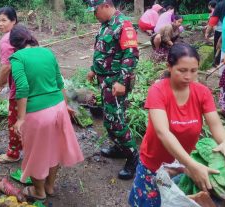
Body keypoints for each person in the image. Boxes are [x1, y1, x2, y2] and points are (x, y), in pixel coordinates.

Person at [129, 43, 225, 207]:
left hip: (182, 163)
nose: (189, 76)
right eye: (182, 70)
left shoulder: (202, 92)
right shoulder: (157, 91)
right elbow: (162, 132)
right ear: (169, 67)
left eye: (194, 71)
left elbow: (215, 124)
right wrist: (192, 165)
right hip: (154, 164)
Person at [9, 25, 84, 202]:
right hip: (58, 107)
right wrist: (65, 107)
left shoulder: (17, 57)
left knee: (35, 154)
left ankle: (39, 191)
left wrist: (20, 118)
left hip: (38, 114)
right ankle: (50, 186)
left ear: (14, 44)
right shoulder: (48, 52)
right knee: (53, 149)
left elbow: (22, 88)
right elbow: (59, 82)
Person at [86, 0, 139, 180]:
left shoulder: (123, 25)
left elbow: (131, 54)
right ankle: (119, 148)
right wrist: (94, 69)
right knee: (110, 120)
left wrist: (123, 81)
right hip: (106, 81)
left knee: (116, 122)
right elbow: (104, 51)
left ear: (106, 5)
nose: (94, 14)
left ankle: (133, 157)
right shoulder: (105, 25)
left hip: (116, 82)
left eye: (95, 10)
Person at [0, 7, 21, 163]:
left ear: (13, 20)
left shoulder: (6, 40)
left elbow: (6, 67)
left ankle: (13, 153)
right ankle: (26, 145)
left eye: (4, 20)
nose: (0, 24)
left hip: (20, 86)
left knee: (15, 120)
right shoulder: (24, 34)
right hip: (35, 83)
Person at [205, 0, 225, 67]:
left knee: (218, 47)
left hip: (220, 31)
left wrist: (207, 33)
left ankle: (217, 63)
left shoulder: (220, 5)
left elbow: (213, 21)